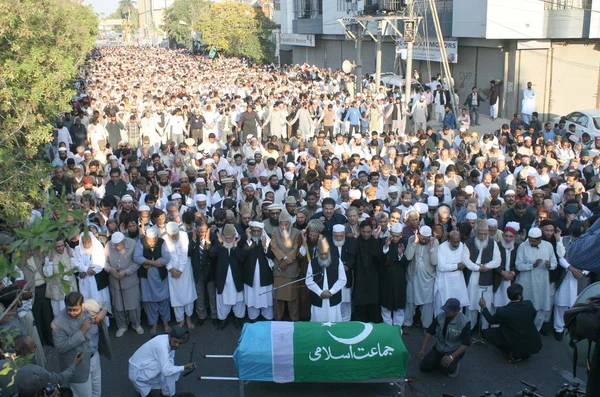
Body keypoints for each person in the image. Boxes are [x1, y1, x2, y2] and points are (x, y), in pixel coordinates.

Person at [52, 292, 111, 397]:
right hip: (79, 364)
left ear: (82, 305)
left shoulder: (90, 306)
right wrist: (81, 332)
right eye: (69, 309)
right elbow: (61, 347)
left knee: (97, 391)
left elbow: (105, 304)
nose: (72, 313)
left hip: (94, 357)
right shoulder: (57, 323)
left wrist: (103, 313)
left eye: (75, 310)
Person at [479, 283, 542, 363]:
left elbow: (491, 320)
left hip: (513, 339)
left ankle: (512, 353)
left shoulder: (503, 311)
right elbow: (533, 315)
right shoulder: (528, 304)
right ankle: (525, 352)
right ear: (519, 296)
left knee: (488, 333)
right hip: (530, 338)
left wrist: (484, 307)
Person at [128, 326, 196, 397]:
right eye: (175, 342)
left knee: (167, 368)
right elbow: (166, 371)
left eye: (179, 343)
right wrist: (184, 367)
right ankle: (166, 393)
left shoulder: (167, 340)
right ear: (170, 337)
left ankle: (165, 390)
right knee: (167, 373)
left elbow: (170, 359)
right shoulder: (162, 347)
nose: (177, 345)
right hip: (139, 371)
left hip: (144, 365)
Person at [515, 227, 557, 331]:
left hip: (542, 283)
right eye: (529, 240)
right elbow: (518, 265)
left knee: (541, 306)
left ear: (539, 239)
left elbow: (554, 263)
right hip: (526, 282)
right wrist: (532, 265)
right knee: (526, 306)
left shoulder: (548, 246)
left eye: (533, 241)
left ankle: (535, 331)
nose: (531, 242)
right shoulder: (522, 246)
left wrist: (549, 265)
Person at [462, 220, 501, 330]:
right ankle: (470, 327)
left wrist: (486, 267)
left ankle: (484, 328)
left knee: (486, 304)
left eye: (485, 233)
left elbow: (497, 260)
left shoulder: (493, 243)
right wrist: (478, 268)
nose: (483, 236)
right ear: (476, 232)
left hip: (486, 278)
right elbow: (465, 260)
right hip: (472, 278)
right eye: (480, 233)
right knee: (471, 304)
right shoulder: (469, 242)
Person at [418, 298, 471, 378]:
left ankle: (455, 363)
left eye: (448, 311)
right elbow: (430, 332)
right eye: (445, 310)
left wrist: (451, 357)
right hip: (439, 347)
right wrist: (423, 348)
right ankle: (439, 361)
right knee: (424, 367)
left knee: (446, 370)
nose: (445, 312)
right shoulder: (440, 317)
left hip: (452, 350)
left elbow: (466, 343)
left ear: (456, 311)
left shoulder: (464, 322)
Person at [134, 226, 172, 335]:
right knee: (150, 302)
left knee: (164, 300)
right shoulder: (140, 243)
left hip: (160, 278)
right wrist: (153, 262)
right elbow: (137, 257)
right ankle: (153, 324)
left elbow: (166, 258)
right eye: (150, 240)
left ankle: (166, 323)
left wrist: (147, 263)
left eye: (155, 240)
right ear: (146, 237)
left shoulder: (162, 242)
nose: (153, 242)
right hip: (146, 279)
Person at [104, 232, 143, 337]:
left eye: (119, 244)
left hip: (130, 280)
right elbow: (104, 262)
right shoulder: (108, 245)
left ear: (124, 241)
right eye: (115, 245)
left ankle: (136, 324)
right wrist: (110, 269)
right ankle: (122, 326)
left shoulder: (133, 243)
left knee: (133, 305)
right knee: (118, 305)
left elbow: (137, 262)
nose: (117, 247)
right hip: (115, 281)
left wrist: (126, 271)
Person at [163, 222, 197, 329]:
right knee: (176, 296)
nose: (174, 236)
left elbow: (184, 254)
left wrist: (180, 270)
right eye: (172, 235)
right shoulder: (163, 238)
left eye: (175, 234)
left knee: (188, 295)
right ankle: (180, 320)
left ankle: (188, 318)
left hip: (185, 269)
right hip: (172, 271)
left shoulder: (183, 235)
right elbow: (164, 256)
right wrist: (171, 269)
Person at [270, 210, 302, 321]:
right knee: (278, 297)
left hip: (291, 268)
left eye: (286, 224)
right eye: (281, 224)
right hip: (279, 268)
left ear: (290, 223)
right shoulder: (274, 232)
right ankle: (278, 318)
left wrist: (287, 261)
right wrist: (284, 259)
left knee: (293, 297)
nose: (284, 226)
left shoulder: (296, 232)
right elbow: (273, 247)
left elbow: (296, 248)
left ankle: (294, 319)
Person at [404, 225, 438, 329]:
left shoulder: (434, 242)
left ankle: (426, 326)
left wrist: (432, 249)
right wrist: (415, 242)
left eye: (426, 238)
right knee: (410, 300)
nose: (423, 240)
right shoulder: (411, 239)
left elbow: (434, 262)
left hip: (427, 278)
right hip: (413, 275)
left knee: (428, 303)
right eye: (422, 237)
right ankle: (407, 323)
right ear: (418, 234)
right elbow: (408, 257)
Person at [239, 221, 275, 321]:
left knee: (266, 297)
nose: (255, 233)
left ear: (261, 231)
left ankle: (267, 316)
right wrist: (249, 240)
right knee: (252, 296)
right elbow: (242, 257)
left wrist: (265, 247)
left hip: (265, 274)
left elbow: (272, 256)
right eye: (253, 231)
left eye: (258, 231)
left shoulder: (268, 238)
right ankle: (253, 317)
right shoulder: (245, 239)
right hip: (250, 275)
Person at [212, 223, 245, 330]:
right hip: (223, 280)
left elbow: (241, 259)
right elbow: (212, 253)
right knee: (222, 300)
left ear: (234, 236)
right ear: (223, 236)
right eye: (227, 238)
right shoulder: (220, 245)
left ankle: (238, 318)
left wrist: (235, 247)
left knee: (239, 300)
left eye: (231, 238)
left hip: (236, 279)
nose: (229, 240)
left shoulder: (238, 245)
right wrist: (220, 242)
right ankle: (223, 319)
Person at [305, 238, 346, 322]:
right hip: (318, 298)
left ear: (329, 250)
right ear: (317, 251)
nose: (323, 256)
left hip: (333, 298)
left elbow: (342, 280)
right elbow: (308, 281)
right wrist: (320, 292)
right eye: (321, 254)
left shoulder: (337, 261)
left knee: (334, 321)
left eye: (325, 254)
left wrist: (331, 292)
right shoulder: (312, 263)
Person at [434, 231, 469, 317]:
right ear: (449, 239)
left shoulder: (462, 246)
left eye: (458, 241)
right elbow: (441, 267)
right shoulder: (442, 247)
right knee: (443, 304)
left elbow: (465, 261)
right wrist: (457, 266)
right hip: (445, 280)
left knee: (458, 304)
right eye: (454, 241)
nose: (456, 244)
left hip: (458, 279)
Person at [379, 223, 408, 327]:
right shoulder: (383, 241)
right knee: (385, 305)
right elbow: (379, 260)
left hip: (399, 279)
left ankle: (397, 328)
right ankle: (387, 328)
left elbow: (407, 262)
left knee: (399, 305)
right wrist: (386, 247)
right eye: (393, 235)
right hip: (386, 279)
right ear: (390, 233)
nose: (395, 238)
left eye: (397, 236)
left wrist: (401, 254)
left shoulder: (405, 242)